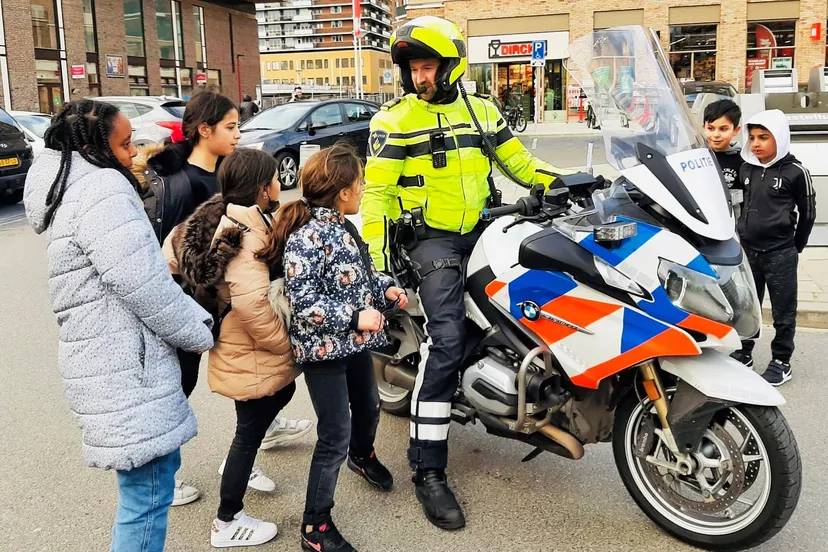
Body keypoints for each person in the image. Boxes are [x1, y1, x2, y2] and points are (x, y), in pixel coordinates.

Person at [361, 15, 567, 530]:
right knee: (448, 339)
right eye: (413, 68)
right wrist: (377, 264)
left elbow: (521, 165)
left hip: (483, 227)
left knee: (537, 300)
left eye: (428, 66)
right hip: (429, 241)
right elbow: (376, 195)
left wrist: (569, 182)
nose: (419, 77)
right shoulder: (393, 121)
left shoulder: (481, 111)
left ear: (452, 66)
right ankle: (427, 469)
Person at [23, 100, 214, 551]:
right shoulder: (102, 189)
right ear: (93, 148)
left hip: (107, 359)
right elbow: (144, 283)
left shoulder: (73, 187)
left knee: (145, 488)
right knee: (147, 494)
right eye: (125, 144)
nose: (134, 154)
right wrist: (198, 329)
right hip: (126, 365)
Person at [138, 92, 313, 507]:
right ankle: (161, 478)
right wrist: (191, 302)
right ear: (204, 129)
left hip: (222, 308)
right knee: (178, 391)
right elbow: (172, 248)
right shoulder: (182, 182)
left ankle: (251, 444)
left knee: (248, 387)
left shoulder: (224, 173)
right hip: (191, 308)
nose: (238, 134)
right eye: (231, 127)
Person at [163, 148, 301, 547]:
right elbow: (252, 305)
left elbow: (170, 254)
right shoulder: (243, 235)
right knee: (250, 428)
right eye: (274, 179)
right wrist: (283, 344)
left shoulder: (220, 217)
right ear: (262, 189)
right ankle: (227, 521)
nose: (279, 184)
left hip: (242, 345)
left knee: (279, 396)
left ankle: (239, 466)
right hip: (249, 349)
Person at [274, 143, 402, 551]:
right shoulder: (307, 236)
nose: (363, 189)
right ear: (343, 192)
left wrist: (386, 288)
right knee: (334, 433)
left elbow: (361, 275)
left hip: (354, 344)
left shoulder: (345, 227)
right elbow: (304, 302)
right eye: (360, 183)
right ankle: (314, 526)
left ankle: (361, 456)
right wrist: (355, 317)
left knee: (369, 406)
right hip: (323, 351)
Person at [730, 109, 816, 386]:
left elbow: (808, 213)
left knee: (783, 311)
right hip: (749, 252)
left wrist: (795, 246)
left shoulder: (796, 172)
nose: (756, 144)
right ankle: (744, 352)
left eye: (763, 137)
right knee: (747, 307)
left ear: (779, 137)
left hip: (780, 253)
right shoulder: (746, 168)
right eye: (753, 137)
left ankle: (781, 361)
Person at [703, 99, 743, 190]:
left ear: (735, 130)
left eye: (723, 129)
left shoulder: (743, 161)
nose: (716, 135)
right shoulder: (694, 155)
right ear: (704, 128)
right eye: (710, 128)